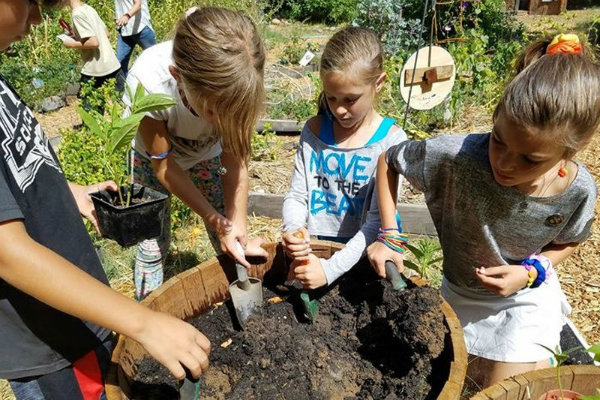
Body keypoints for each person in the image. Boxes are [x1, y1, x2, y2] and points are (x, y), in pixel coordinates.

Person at [0, 1, 211, 399]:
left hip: (77, 310)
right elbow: (6, 252)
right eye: (28, 1)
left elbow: (17, 167)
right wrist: (144, 323)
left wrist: (69, 193)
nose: (38, 18)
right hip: (49, 338)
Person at [367, 34, 600, 388]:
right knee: (459, 380)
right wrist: (389, 235)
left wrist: (532, 271)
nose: (504, 164)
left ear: (571, 151)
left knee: (500, 391)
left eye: (530, 159)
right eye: (498, 140)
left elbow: (570, 240)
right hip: (460, 291)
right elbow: (389, 161)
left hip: (525, 297)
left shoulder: (577, 191)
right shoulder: (456, 157)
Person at [124, 6, 268, 299]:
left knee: (228, 233)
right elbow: (163, 166)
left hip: (205, 157)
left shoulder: (240, 82)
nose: (224, 122)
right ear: (178, 77)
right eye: (214, 112)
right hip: (153, 160)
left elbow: (234, 158)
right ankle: (148, 313)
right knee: (152, 242)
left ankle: (231, 289)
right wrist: (213, 217)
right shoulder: (149, 82)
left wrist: (234, 222)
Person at [282, 26, 407, 289]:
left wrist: (330, 271)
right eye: (331, 97)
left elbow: (376, 222)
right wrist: (294, 228)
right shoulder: (314, 132)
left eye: (350, 99)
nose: (339, 109)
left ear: (379, 83)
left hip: (363, 259)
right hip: (317, 253)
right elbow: (297, 196)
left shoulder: (391, 141)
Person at [60, 0, 125, 97]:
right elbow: (106, 34)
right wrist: (78, 38)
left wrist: (71, 44)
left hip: (95, 70)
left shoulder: (77, 14)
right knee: (125, 107)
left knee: (90, 110)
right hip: (112, 65)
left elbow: (94, 42)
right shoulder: (88, 8)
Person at [114, 0, 156, 75]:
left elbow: (138, 4)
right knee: (119, 65)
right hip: (125, 31)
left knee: (156, 59)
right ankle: (125, 86)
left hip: (141, 29)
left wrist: (127, 16)